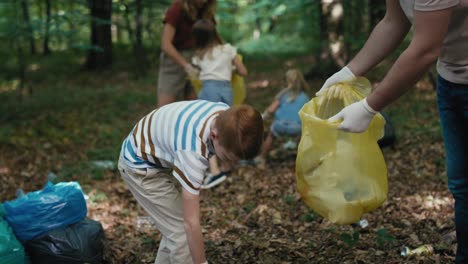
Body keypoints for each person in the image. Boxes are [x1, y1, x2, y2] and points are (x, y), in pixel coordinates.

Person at [316, 1, 467, 262]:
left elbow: (425, 50)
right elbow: (393, 22)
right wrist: (349, 71)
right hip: (451, 80)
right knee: (462, 183)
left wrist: (368, 107)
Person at [118, 100, 263, 264]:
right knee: (181, 232)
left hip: (149, 152)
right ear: (214, 135)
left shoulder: (226, 116)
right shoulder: (192, 150)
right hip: (138, 168)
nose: (232, 164)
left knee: (174, 226)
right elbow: (191, 223)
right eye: (229, 158)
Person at [191, 19, 248, 188]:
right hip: (226, 90)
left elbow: (194, 76)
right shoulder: (228, 50)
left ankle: (214, 171)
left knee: (206, 129)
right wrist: (232, 70)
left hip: (207, 90)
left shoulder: (199, 55)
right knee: (225, 127)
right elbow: (244, 71)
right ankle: (227, 164)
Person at [157, 0, 217, 107]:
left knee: (196, 105)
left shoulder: (206, 11)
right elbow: (166, 44)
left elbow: (214, 38)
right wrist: (186, 66)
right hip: (174, 59)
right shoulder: (177, 9)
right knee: (165, 106)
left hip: (198, 59)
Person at [255, 69, 310, 170]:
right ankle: (305, 161)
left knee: (271, 136)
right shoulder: (305, 97)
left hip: (279, 125)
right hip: (296, 128)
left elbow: (271, 109)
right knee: (304, 138)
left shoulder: (283, 94)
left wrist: (263, 116)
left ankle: (261, 158)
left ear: (286, 81)